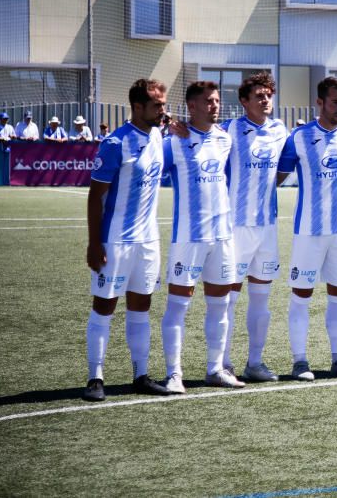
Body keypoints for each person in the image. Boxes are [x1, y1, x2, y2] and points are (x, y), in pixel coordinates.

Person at [81, 79, 173, 402]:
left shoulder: (160, 135)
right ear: (137, 107)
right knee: (105, 306)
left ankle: (141, 374)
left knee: (141, 306)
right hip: (115, 241)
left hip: (148, 242)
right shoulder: (114, 143)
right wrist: (95, 244)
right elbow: (95, 197)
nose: (163, 110)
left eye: (164, 104)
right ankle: (95, 377)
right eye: (157, 105)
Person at [277, 77, 337, 381]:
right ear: (319, 103)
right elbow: (276, 177)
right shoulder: (299, 137)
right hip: (309, 232)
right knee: (301, 295)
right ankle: (300, 361)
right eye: (335, 102)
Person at [159, 80, 242, 393]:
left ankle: (214, 368)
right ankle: (174, 374)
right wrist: (167, 123)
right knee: (178, 306)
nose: (215, 105)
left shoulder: (225, 139)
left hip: (222, 236)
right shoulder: (174, 141)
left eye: (217, 100)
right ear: (191, 106)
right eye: (208, 101)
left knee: (220, 305)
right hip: (188, 238)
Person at [219, 72, 289, 382]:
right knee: (229, 296)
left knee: (261, 296)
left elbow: (284, 169)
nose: (265, 100)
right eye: (258, 96)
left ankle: (255, 363)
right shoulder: (231, 130)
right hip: (237, 226)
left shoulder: (280, 131)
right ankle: (223, 362)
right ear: (244, 101)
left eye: (268, 95)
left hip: (267, 227)